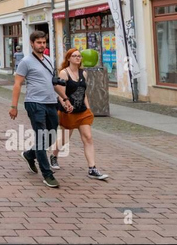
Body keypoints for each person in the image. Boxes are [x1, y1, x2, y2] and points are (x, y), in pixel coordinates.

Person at [9, 31, 69, 189]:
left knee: (51, 136)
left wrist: (65, 99)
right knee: (42, 137)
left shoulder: (49, 60)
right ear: (32, 43)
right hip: (34, 103)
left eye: (44, 42)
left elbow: (53, 83)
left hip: (51, 102)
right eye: (39, 43)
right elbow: (17, 84)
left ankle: (29, 155)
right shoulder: (25, 62)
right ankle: (47, 174)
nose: (42, 45)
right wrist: (14, 106)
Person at [50, 48, 109, 180]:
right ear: (69, 58)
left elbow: (84, 93)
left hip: (82, 111)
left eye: (79, 56)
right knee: (65, 139)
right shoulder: (64, 73)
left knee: (88, 138)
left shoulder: (84, 73)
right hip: (68, 112)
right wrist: (66, 104)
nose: (78, 58)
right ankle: (54, 155)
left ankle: (92, 168)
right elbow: (60, 92)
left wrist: (88, 109)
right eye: (75, 56)